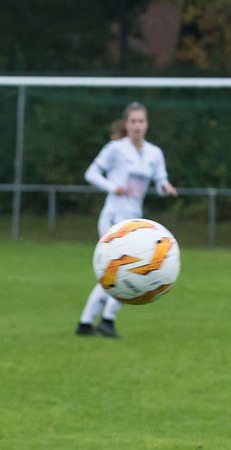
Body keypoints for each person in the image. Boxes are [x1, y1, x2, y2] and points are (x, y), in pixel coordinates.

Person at [76, 102, 177, 338]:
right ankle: (104, 320)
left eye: (141, 121)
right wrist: (113, 187)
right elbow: (90, 174)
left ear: (147, 124)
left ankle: (89, 323)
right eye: (133, 122)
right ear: (126, 124)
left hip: (135, 222)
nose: (137, 126)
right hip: (113, 218)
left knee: (123, 273)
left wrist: (166, 188)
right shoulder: (115, 149)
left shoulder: (154, 153)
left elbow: (161, 183)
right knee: (120, 271)